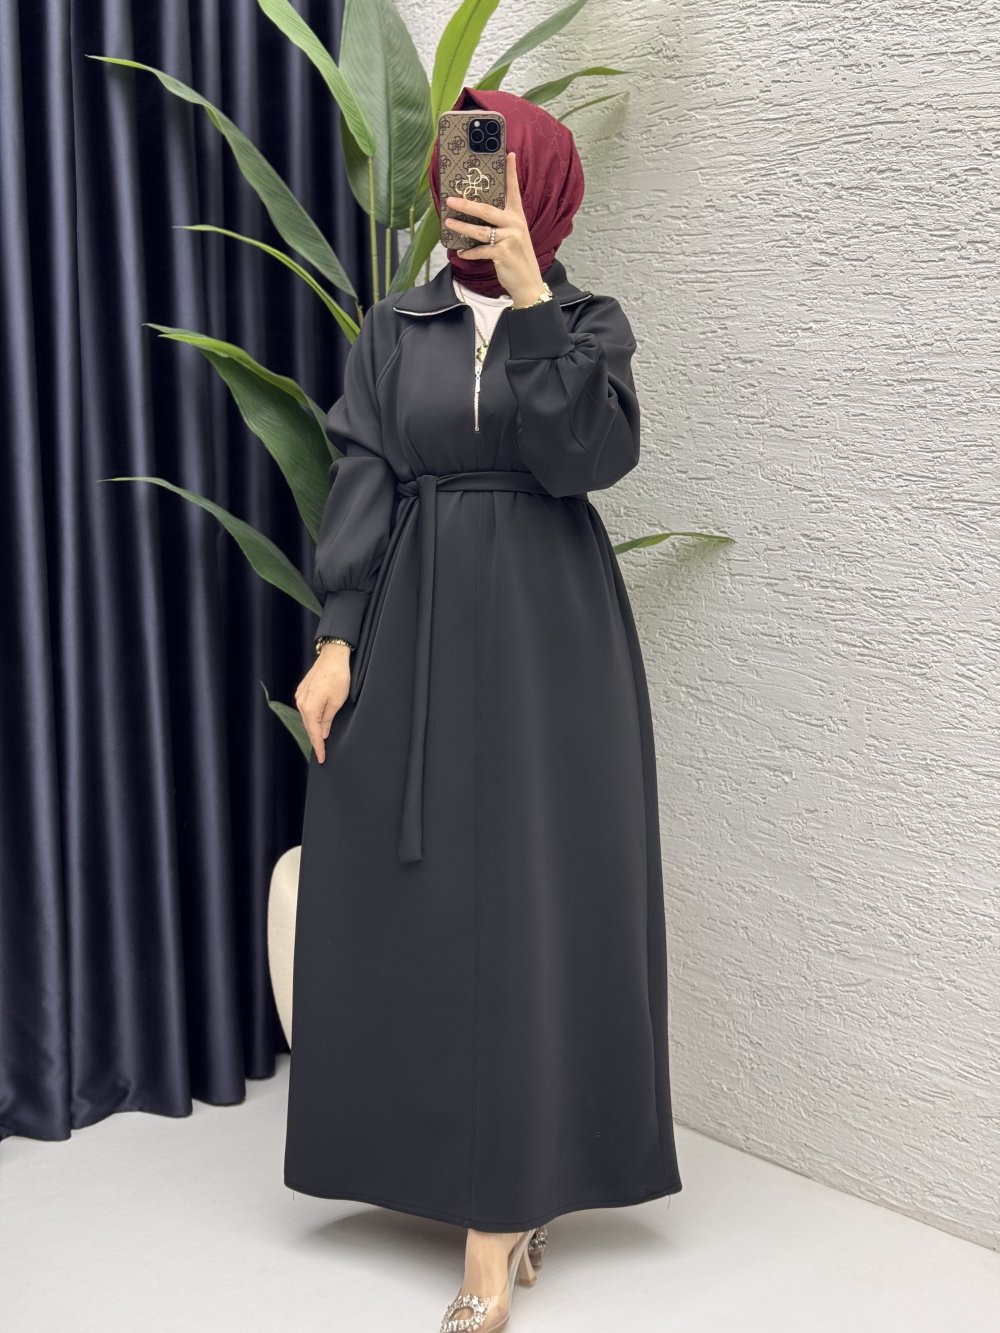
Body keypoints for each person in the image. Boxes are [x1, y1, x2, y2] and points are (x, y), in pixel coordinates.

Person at [285, 86, 682, 1332]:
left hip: (548, 640)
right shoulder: (393, 326)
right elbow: (365, 468)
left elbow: (584, 459)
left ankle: (501, 1221)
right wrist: (336, 638)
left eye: (502, 173)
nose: (475, 192)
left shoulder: (587, 324)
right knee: (412, 891)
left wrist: (526, 295)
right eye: (464, 169)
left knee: (531, 904)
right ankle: (439, 1162)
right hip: (412, 619)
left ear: (541, 188)